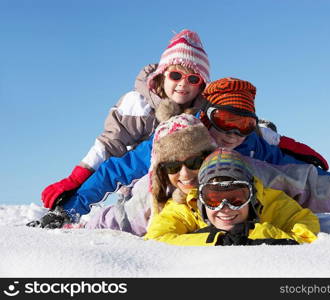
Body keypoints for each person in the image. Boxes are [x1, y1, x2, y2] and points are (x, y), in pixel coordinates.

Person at [28, 78, 330, 230]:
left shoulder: (253, 152)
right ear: (203, 116)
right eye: (224, 119)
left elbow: (308, 182)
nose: (231, 133)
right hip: (164, 209)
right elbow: (117, 171)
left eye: (242, 124)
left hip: (232, 203)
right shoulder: (177, 144)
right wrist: (74, 212)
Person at [40, 29, 211, 210]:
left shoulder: (203, 117)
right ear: (162, 75)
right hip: (139, 187)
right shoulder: (138, 105)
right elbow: (110, 147)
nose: (183, 83)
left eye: (193, 78)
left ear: (201, 85)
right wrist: (77, 179)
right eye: (176, 75)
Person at [144, 147, 319, 246]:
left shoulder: (272, 202)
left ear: (252, 195)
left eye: (236, 198)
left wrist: (257, 234)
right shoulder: (184, 208)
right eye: (213, 199)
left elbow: (306, 233)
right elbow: (156, 241)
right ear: (200, 199)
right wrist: (216, 239)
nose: (225, 207)